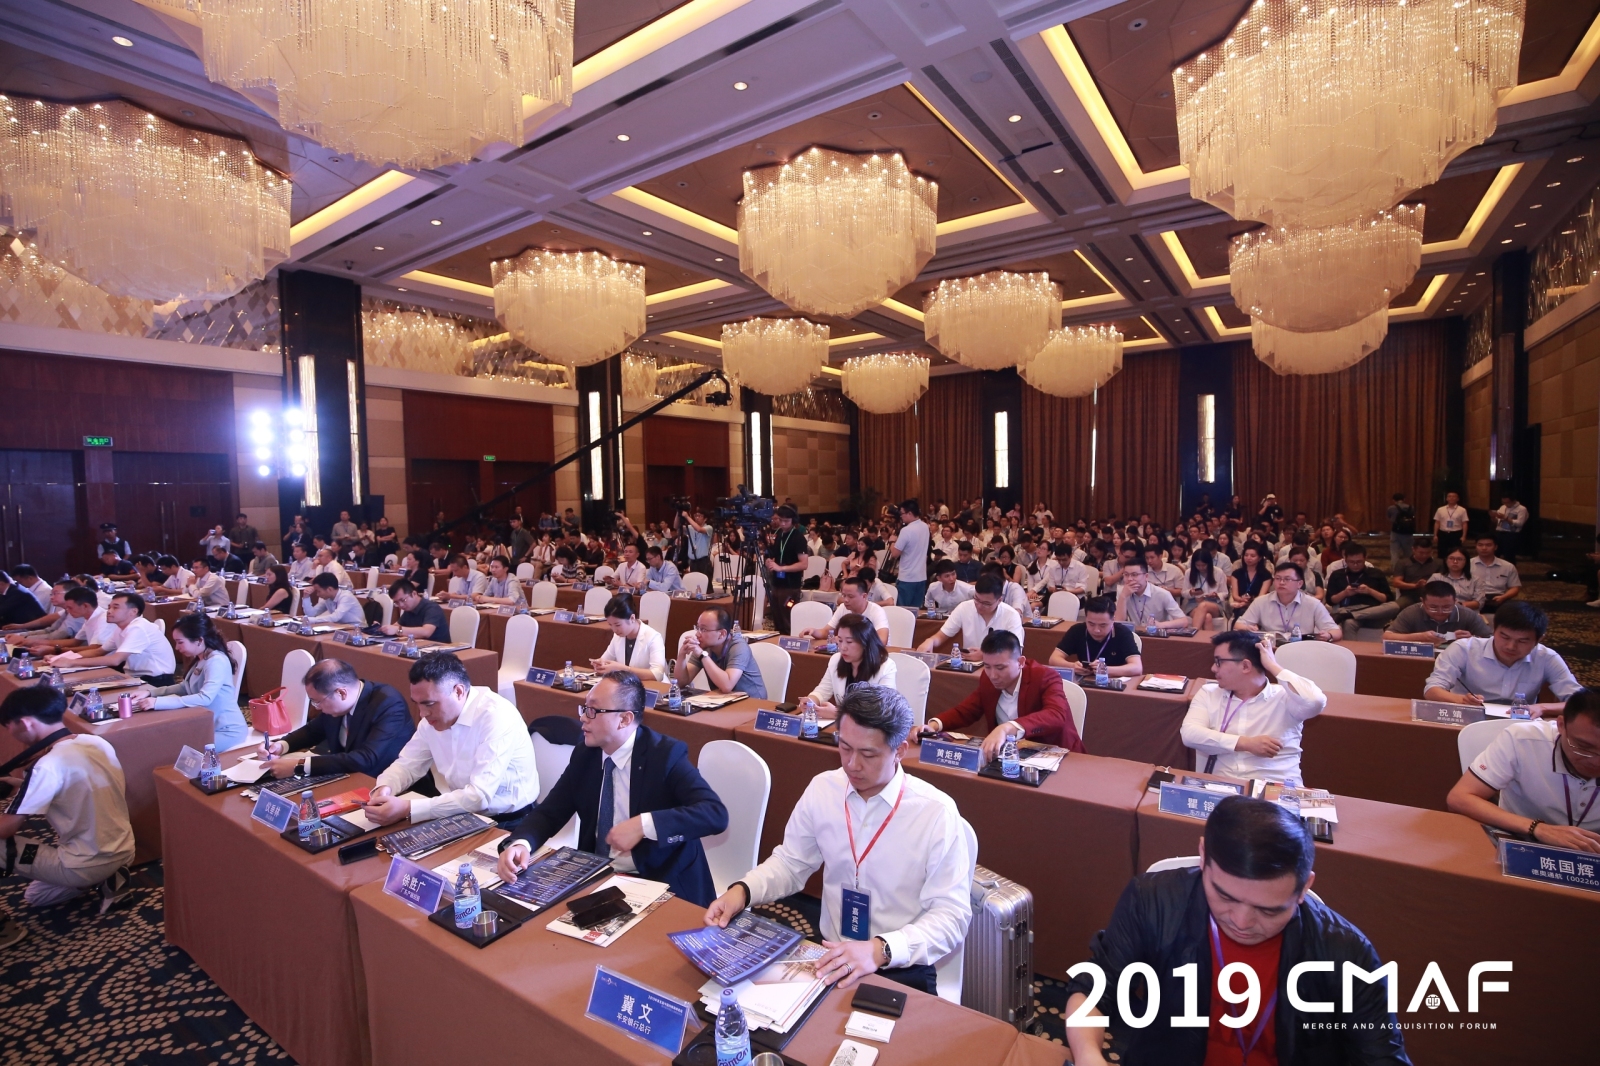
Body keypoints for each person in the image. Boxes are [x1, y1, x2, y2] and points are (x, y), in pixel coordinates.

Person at [1063, 796, 1410, 1066]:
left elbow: (1382, 1055)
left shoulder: (1345, 951)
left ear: (1304, 888)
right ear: (1203, 856)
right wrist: (1090, 1056)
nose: (1241, 922)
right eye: (1225, 896)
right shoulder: (1152, 900)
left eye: (1268, 909)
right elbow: (1093, 990)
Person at [703, 686, 973, 998]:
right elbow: (791, 863)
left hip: (899, 964)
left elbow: (951, 916)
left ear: (899, 750)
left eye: (868, 754)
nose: (852, 764)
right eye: (844, 748)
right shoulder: (824, 789)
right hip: (830, 952)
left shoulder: (935, 812)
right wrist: (742, 891)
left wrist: (881, 949)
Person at [498, 670, 727, 901]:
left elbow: (714, 813)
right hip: (599, 876)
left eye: (593, 710)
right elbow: (550, 812)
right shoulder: (586, 754)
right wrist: (521, 843)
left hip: (661, 881)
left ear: (624, 719)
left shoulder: (665, 755)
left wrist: (643, 825)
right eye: (584, 708)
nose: (583, 718)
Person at [0, 688, 135, 913]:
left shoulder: (46, 766)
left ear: (24, 723)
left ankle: (97, 876)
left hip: (82, 863)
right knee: (37, 894)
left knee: (4, 848)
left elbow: (6, 828)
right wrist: (20, 785)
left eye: (8, 726)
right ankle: (109, 876)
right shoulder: (95, 742)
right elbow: (71, 785)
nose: (10, 732)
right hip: (124, 848)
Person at [365, 654, 540, 825]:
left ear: (458, 691)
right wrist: (385, 787)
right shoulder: (431, 720)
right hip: (460, 813)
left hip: (511, 821)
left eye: (429, 704)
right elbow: (407, 765)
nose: (422, 713)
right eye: (416, 703)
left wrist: (408, 808)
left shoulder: (496, 716)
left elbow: (478, 796)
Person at [1447, 687, 1600, 853]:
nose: (1596, 761)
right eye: (1584, 747)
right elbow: (1459, 798)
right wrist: (1538, 828)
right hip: (1519, 843)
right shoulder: (1523, 740)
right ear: (1561, 725)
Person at [1181, 632, 1327, 785]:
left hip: (1275, 786)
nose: (1213, 668)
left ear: (1245, 666)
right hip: (1223, 784)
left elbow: (1314, 700)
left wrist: (1272, 665)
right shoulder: (1209, 693)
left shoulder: (1286, 697)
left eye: (1219, 662)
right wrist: (1246, 743)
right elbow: (1190, 734)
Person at [927, 630, 1083, 759]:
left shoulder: (1045, 676)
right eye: (987, 666)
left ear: (1020, 662)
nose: (993, 675)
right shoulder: (987, 679)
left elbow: (1056, 715)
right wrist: (933, 725)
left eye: (1000, 668)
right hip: (1010, 757)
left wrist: (1008, 728)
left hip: (1057, 755)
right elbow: (966, 711)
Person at [258, 659, 414, 779]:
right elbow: (313, 731)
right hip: (345, 774)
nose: (317, 707)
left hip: (380, 781)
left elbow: (366, 758)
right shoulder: (336, 704)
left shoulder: (388, 703)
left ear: (341, 693)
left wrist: (300, 766)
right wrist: (281, 745)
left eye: (317, 701)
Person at [1423, 601, 1580, 715]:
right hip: (1467, 716)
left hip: (1518, 724)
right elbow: (1432, 690)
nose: (1511, 646)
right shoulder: (1464, 649)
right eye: (1504, 637)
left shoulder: (1547, 657)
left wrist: (1541, 707)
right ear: (1494, 630)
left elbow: (1579, 701)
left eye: (1522, 641)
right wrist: (1461, 700)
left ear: (1539, 639)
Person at [136, 614, 249, 751]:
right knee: (167, 741)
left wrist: (158, 702)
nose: (177, 647)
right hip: (206, 724)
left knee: (178, 751)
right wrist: (150, 693)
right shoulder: (202, 658)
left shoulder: (216, 661)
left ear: (199, 640)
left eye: (180, 642)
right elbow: (185, 687)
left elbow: (205, 697)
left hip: (226, 730)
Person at [50, 593, 175, 685]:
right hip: (135, 677)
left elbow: (115, 660)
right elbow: (98, 651)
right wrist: (61, 658)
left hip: (156, 681)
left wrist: (71, 662)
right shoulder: (121, 628)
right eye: (109, 607)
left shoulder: (138, 628)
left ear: (133, 611)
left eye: (115, 607)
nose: (109, 611)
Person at [802, 612, 898, 714]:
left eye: (849, 642)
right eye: (840, 641)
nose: (843, 647)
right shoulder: (836, 660)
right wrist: (811, 700)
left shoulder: (886, 666)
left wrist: (838, 714)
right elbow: (822, 691)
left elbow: (883, 710)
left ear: (865, 642)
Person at [916, 575, 1024, 654]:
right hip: (969, 665)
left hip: (999, 669)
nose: (979, 606)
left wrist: (985, 655)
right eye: (976, 599)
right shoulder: (964, 607)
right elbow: (941, 636)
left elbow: (1015, 651)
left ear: (999, 600)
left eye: (986, 603)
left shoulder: (1011, 615)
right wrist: (930, 641)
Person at [674, 607, 767, 698]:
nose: (697, 634)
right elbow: (681, 682)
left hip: (753, 703)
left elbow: (727, 686)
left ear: (722, 634)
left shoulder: (739, 647)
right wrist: (681, 655)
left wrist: (702, 655)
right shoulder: (704, 647)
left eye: (703, 629)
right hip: (725, 700)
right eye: (698, 628)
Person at [1233, 562, 1340, 641]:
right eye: (1278, 578)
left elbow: (1336, 631)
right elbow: (1238, 625)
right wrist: (1247, 627)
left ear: (1299, 584)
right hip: (1271, 649)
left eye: (1287, 579)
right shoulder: (1261, 601)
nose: (1281, 582)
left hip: (1302, 648)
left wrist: (1329, 635)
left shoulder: (1313, 604)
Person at [1050, 596, 1143, 677]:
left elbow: (1137, 668)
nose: (1096, 630)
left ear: (1113, 620)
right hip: (1084, 682)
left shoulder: (1122, 633)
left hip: (1113, 682)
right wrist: (1072, 666)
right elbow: (1053, 659)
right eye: (1091, 624)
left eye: (1103, 625)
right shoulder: (1077, 630)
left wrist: (1105, 669)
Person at [1326, 543, 1398, 639]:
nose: (1355, 565)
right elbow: (1331, 600)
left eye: (1359, 562)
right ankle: (1351, 649)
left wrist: (1370, 591)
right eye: (1351, 562)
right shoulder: (1337, 575)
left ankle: (1349, 615)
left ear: (1365, 558)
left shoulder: (1376, 573)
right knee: (1349, 623)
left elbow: (1387, 599)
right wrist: (1345, 593)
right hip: (1349, 608)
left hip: (1374, 611)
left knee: (1394, 606)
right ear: (1345, 560)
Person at [1383, 580, 1492, 644]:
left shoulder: (1467, 614)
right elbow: (1387, 637)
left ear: (1455, 601)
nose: (1440, 612)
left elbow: (1491, 641)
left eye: (1446, 607)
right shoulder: (1411, 612)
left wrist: (1472, 640)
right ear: (1423, 602)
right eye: (1433, 607)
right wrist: (1419, 637)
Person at [592, 595, 667, 681]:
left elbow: (658, 674)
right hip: (627, 686)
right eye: (610, 625)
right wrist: (600, 664)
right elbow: (605, 659)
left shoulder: (653, 637)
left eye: (617, 625)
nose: (614, 630)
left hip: (652, 687)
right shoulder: (618, 636)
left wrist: (624, 669)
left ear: (632, 618)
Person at [800, 575, 889, 643]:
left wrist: (846, 640)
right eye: (844, 595)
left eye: (850, 596)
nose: (845, 600)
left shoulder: (877, 611)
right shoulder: (842, 607)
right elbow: (827, 632)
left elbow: (882, 640)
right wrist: (813, 631)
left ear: (864, 596)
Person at [765, 505, 810, 635]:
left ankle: (791, 642)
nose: (783, 524)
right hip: (777, 583)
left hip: (791, 586)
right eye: (780, 520)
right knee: (777, 618)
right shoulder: (779, 534)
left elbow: (804, 564)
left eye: (786, 521)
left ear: (793, 520)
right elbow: (776, 556)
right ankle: (779, 641)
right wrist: (770, 561)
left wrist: (781, 568)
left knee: (788, 618)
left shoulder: (798, 538)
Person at [1114, 562, 1190, 633]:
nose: (1129, 579)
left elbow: (1183, 621)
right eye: (1126, 575)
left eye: (1134, 575)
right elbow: (1118, 622)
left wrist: (1160, 625)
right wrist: (1123, 596)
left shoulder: (1162, 594)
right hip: (1135, 635)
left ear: (1146, 576)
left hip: (1157, 635)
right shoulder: (1123, 592)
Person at [888, 499, 930, 612]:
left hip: (907, 577)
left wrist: (892, 541)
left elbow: (894, 554)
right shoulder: (925, 526)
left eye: (902, 513)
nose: (901, 516)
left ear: (910, 513)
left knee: (903, 611)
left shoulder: (906, 530)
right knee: (915, 611)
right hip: (921, 576)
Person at [1469, 534, 1521, 613]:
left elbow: (1515, 588)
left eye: (1488, 545)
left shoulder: (1508, 566)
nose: (1484, 548)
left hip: (1499, 598)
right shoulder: (1467, 564)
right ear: (1475, 546)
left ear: (1495, 547)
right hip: (1473, 598)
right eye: (1480, 545)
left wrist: (1504, 597)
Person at [380, 580, 447, 640]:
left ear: (414, 594)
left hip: (439, 647)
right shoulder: (409, 609)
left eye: (403, 600)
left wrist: (398, 630)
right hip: (418, 646)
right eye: (397, 602)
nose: (401, 605)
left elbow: (426, 632)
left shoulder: (432, 608)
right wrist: (382, 629)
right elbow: (395, 626)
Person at [1388, 538, 1442, 609]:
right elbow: (1396, 583)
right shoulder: (1403, 563)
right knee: (1393, 607)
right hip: (1409, 596)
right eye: (1421, 553)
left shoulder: (1438, 563)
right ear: (1413, 549)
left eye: (1428, 553)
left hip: (1433, 596)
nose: (1424, 555)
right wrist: (1415, 585)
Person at [1182, 551, 1226, 631]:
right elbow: (1183, 593)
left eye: (1203, 565)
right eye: (1198, 565)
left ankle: (1193, 633)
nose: (1201, 568)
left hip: (1214, 604)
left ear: (1209, 563)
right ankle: (1208, 639)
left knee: (1203, 605)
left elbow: (1225, 593)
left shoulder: (1218, 572)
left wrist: (1216, 595)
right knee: (1207, 617)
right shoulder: (1189, 572)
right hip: (1193, 604)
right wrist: (1191, 592)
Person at [303, 573, 367, 626]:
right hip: (341, 627)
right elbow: (311, 614)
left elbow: (335, 617)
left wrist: (310, 620)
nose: (317, 594)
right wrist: (306, 597)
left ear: (329, 589)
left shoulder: (346, 597)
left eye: (319, 591)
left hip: (357, 629)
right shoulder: (328, 598)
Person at [1225, 542, 1271, 615]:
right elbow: (1235, 595)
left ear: (1259, 558)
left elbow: (1261, 596)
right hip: (1240, 603)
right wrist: (1242, 600)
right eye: (1246, 555)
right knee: (1241, 611)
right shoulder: (1236, 574)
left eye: (1252, 556)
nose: (1248, 558)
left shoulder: (1266, 575)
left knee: (1244, 611)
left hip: (1258, 605)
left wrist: (1247, 603)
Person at [1438, 545, 1481, 610]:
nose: (1455, 562)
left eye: (1459, 559)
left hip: (1467, 611)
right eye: (1451, 558)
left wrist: (1459, 605)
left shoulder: (1476, 579)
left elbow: (1478, 603)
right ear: (1446, 560)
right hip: (1441, 611)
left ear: (1466, 562)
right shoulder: (1436, 578)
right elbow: (1428, 598)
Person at [1491, 494, 1529, 563]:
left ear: (1513, 501)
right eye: (1503, 502)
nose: (1505, 504)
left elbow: (1520, 523)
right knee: (1495, 553)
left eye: (1507, 502)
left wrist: (1506, 518)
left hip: (1511, 534)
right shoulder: (1503, 507)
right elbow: (1497, 522)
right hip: (1499, 533)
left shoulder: (1522, 509)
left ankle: (1510, 569)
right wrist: (1493, 517)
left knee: (1509, 556)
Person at [1432, 491, 1467, 557]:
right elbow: (1437, 522)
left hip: (1456, 534)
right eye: (1449, 496)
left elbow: (1464, 523)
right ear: (1446, 498)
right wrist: (1435, 535)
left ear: (1457, 499)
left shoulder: (1462, 510)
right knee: (1442, 552)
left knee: (1455, 552)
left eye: (1454, 496)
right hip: (1443, 533)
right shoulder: (1440, 509)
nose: (1451, 498)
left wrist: (1464, 536)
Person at [1386, 491, 1416, 568]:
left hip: (1395, 532)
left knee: (1394, 552)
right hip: (1408, 532)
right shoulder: (1411, 507)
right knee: (1409, 552)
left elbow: (1390, 518)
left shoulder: (1391, 508)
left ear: (1393, 500)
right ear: (1404, 499)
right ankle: (1409, 568)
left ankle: (1396, 569)